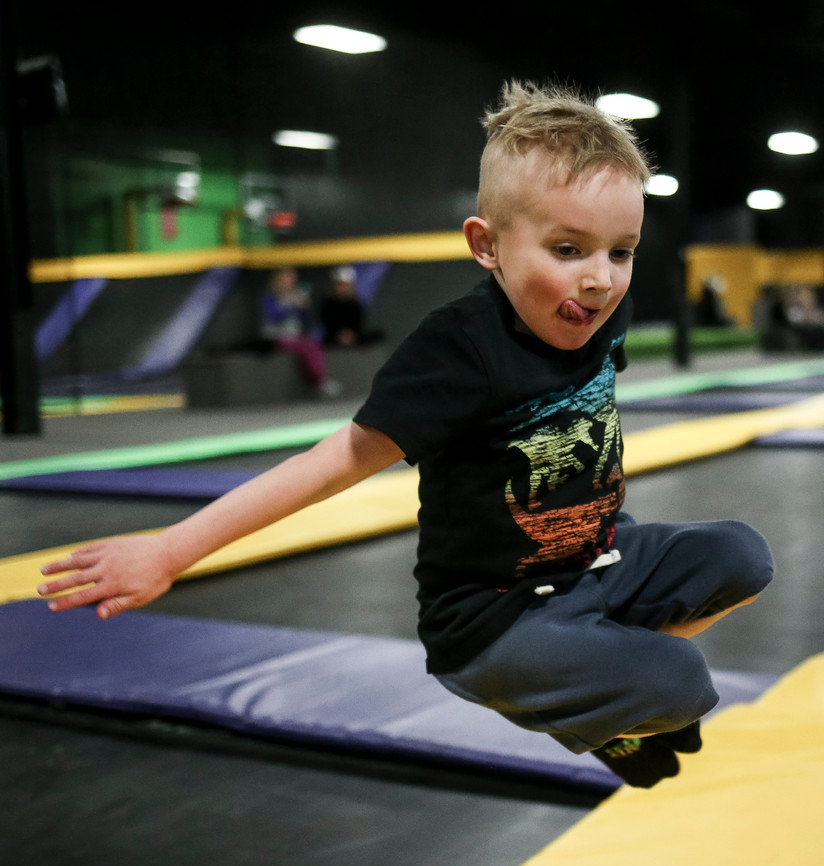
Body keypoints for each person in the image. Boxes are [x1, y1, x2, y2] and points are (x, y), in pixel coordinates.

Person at [37, 80, 774, 789]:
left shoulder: (602, 312)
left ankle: (595, 684)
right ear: (486, 245)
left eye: (622, 250)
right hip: (494, 618)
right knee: (682, 683)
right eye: (568, 249)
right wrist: (171, 549)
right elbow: (330, 465)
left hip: (593, 562)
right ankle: (589, 698)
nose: (601, 280)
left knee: (742, 554)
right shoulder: (457, 351)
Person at [261, 266, 340, 397]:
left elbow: (307, 319)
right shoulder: (270, 297)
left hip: (295, 336)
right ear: (278, 280)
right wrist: (291, 307)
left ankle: (316, 380)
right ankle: (319, 382)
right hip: (276, 337)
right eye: (285, 279)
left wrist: (304, 307)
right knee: (306, 346)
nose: (288, 282)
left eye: (291, 279)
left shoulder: (296, 295)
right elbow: (274, 316)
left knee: (312, 345)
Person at [320, 265, 383, 348]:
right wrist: (340, 335)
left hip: (354, 337)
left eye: (346, 285)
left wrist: (351, 335)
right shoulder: (328, 303)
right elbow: (326, 323)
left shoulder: (356, 304)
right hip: (333, 338)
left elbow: (359, 325)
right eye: (340, 284)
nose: (343, 288)